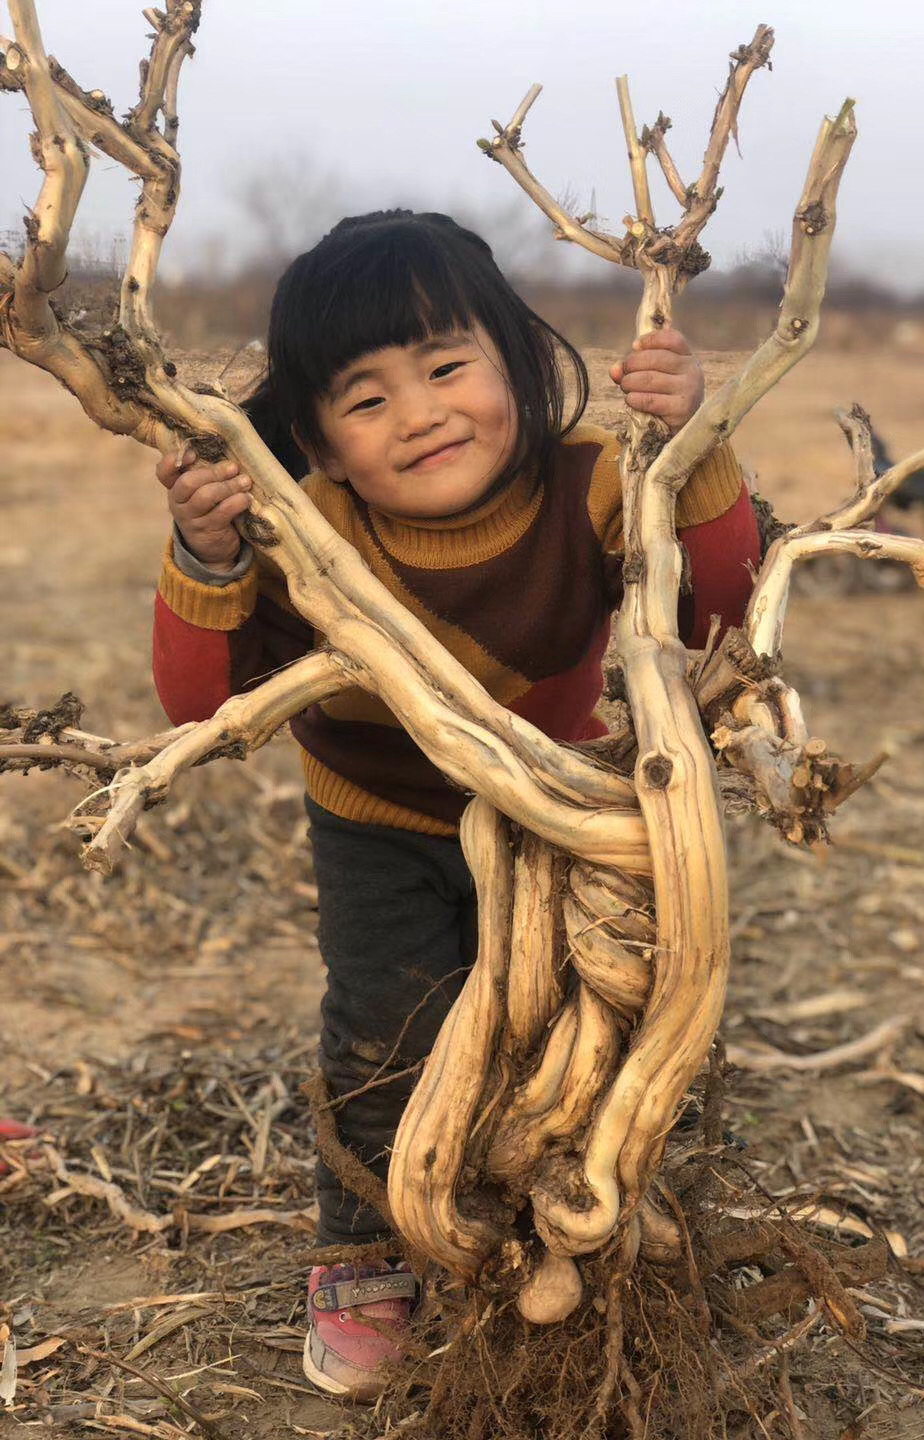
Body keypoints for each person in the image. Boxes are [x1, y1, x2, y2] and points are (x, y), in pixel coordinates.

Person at [151, 210, 761, 1398]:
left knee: (589, 1016)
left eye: (445, 367)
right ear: (316, 440)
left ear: (520, 365)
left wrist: (694, 447)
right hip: (375, 816)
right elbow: (196, 709)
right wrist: (208, 555)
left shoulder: (595, 483)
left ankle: (590, 1211)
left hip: (563, 813)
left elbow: (717, 615)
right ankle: (365, 1246)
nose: (421, 412)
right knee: (387, 1028)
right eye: (365, 398)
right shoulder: (306, 528)